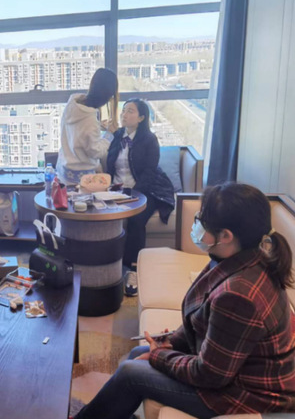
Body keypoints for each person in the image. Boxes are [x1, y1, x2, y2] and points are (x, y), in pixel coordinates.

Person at [74, 183, 295, 419]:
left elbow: (210, 375)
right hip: (230, 370)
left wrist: (159, 355)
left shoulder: (239, 296)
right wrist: (172, 342)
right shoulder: (241, 257)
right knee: (138, 352)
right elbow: (206, 321)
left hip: (247, 394)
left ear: (226, 236)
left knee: (131, 373)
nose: (196, 224)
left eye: (202, 220)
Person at [106, 98, 175, 296]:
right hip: (117, 188)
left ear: (141, 118)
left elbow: (150, 171)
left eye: (130, 111)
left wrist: (134, 193)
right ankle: (109, 266)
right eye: (123, 110)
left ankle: (133, 270)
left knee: (136, 219)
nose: (124, 114)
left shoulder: (149, 139)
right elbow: (110, 165)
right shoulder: (117, 135)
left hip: (146, 188)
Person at [56, 68, 119, 185]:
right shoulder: (90, 120)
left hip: (63, 172)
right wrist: (109, 135)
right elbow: (95, 152)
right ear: (108, 96)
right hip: (82, 179)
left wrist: (98, 126)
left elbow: (77, 133)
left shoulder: (72, 104)